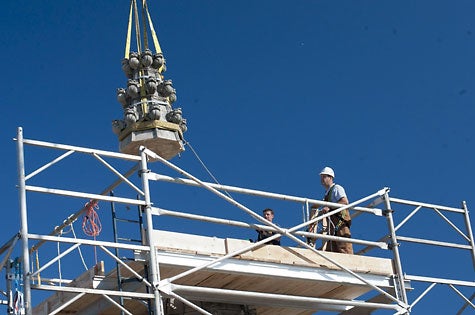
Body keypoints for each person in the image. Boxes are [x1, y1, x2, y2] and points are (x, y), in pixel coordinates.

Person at [308, 167, 353, 254]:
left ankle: (349, 262)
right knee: (332, 248)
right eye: (321, 177)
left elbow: (344, 201)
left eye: (324, 177)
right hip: (332, 224)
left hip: (340, 220)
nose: (322, 179)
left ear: (330, 177)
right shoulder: (327, 194)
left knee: (344, 245)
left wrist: (330, 208)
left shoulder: (337, 188)